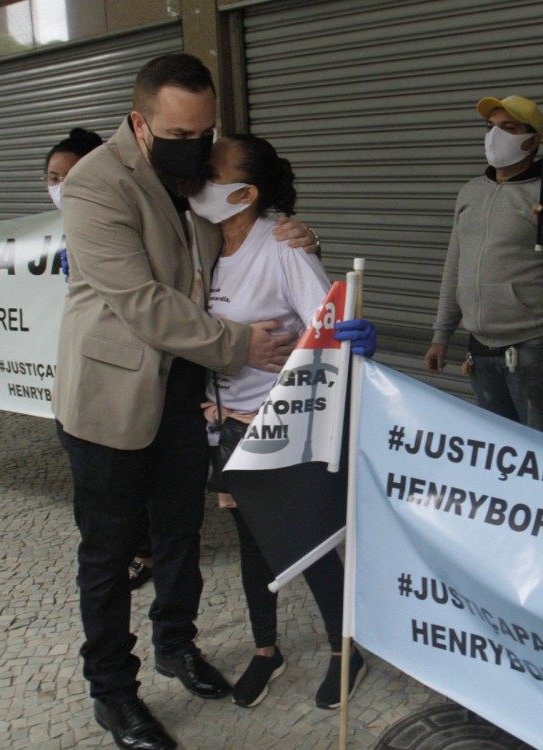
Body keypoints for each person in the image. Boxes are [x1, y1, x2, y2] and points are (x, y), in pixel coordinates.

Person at [53, 53, 321, 750]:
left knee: (179, 535)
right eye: (180, 133)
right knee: (112, 554)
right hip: (111, 396)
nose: (195, 147)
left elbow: (234, 238)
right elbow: (142, 304)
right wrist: (237, 346)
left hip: (182, 393)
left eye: (205, 132)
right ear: (141, 124)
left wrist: (290, 229)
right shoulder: (96, 186)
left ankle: (177, 646)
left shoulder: (193, 176)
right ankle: (113, 692)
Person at [191, 135, 373, 711]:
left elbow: (332, 325)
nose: (198, 176)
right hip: (223, 422)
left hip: (281, 420)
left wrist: (358, 340)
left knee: (308, 542)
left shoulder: (284, 246)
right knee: (252, 545)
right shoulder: (199, 242)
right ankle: (266, 650)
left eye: (212, 170)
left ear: (244, 192)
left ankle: (347, 651)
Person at [423, 94, 543, 439]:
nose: (495, 135)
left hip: (535, 346)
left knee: (542, 447)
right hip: (480, 347)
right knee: (497, 445)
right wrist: (441, 335)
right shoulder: (471, 192)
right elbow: (454, 265)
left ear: (534, 140)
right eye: (491, 127)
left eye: (509, 128)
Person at [45, 127, 155, 590]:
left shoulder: (121, 217)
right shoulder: (66, 228)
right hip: (78, 388)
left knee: (126, 495)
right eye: (52, 177)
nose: (62, 186)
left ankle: (142, 553)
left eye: (70, 176)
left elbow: (145, 301)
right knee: (98, 515)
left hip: (127, 388)